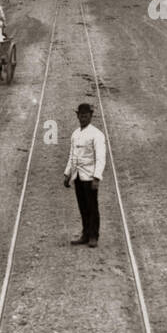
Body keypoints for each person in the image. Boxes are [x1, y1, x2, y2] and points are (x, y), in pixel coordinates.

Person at [63, 102, 106, 247]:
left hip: (89, 177)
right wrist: (67, 173)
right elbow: (72, 155)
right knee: (82, 206)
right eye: (81, 116)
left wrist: (96, 177)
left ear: (91, 116)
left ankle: (94, 235)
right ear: (77, 116)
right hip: (78, 177)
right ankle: (85, 234)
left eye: (86, 116)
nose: (83, 119)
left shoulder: (97, 134)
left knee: (92, 207)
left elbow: (101, 158)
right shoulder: (75, 134)